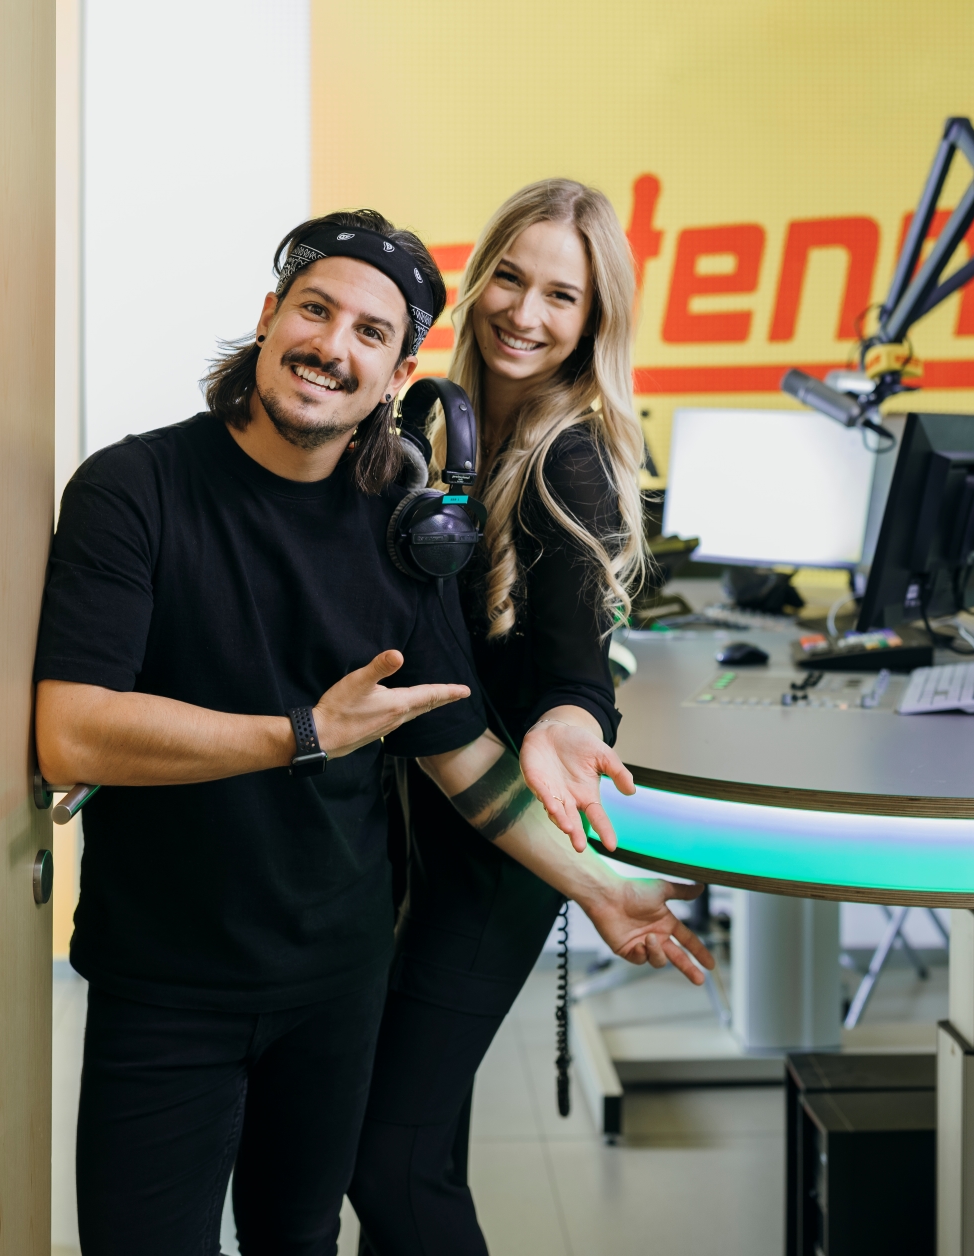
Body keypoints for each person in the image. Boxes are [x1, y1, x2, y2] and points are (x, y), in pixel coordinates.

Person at [32, 208, 709, 1256]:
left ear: (399, 374)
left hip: (336, 983)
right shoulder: (133, 489)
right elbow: (72, 735)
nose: (330, 346)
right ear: (270, 315)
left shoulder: (405, 520)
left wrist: (597, 886)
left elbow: (459, 751)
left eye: (370, 332)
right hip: (166, 980)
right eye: (315, 310)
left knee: (303, 1238)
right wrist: (305, 733)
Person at [349, 180, 682, 1255]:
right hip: (429, 830)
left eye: (561, 297)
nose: (525, 314)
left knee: (389, 1160)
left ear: (593, 321)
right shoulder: (440, 426)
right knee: (421, 1144)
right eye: (510, 278)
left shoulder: (565, 460)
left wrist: (571, 721)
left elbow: (579, 674)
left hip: (503, 853)